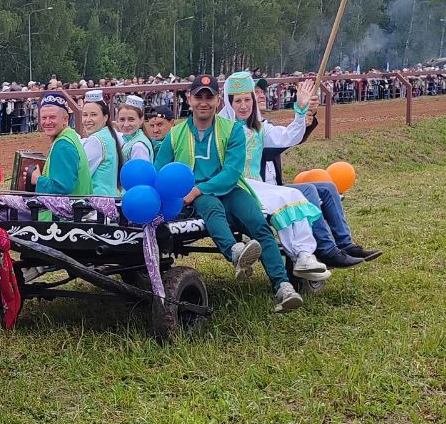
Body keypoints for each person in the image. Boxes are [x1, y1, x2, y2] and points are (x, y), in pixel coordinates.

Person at [155, 74, 303, 313]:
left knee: (259, 223)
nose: (203, 102)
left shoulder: (232, 130)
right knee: (211, 208)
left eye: (209, 97)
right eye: (198, 97)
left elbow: (232, 171)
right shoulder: (175, 134)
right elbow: (159, 169)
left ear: (217, 101)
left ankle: (283, 286)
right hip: (197, 195)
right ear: (189, 100)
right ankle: (235, 252)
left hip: (228, 189)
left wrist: (199, 189)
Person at [255, 80, 381, 267]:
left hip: (276, 188)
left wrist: (307, 117)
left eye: (262, 92)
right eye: (256, 92)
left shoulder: (265, 124)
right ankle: (325, 248)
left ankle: (345, 244)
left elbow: (289, 138)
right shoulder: (243, 129)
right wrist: (299, 121)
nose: (262, 95)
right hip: (262, 192)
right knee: (308, 191)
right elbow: (270, 149)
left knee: (328, 187)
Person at [222, 73, 328, 280]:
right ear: (229, 102)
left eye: (247, 99)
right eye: (238, 101)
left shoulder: (259, 128)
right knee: (282, 198)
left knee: (294, 196)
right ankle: (300, 254)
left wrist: (300, 111)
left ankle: (304, 254)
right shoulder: (221, 128)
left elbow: (289, 137)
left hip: (257, 185)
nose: (243, 106)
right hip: (236, 187)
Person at [29, 93, 91, 196]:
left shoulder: (62, 146)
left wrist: (37, 179)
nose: (47, 122)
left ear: (65, 119)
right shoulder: (71, 136)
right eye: (44, 118)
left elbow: (61, 188)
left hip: (69, 211)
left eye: (52, 117)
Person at [80, 90, 123, 195]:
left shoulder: (96, 140)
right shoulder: (111, 135)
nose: (88, 119)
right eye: (85, 115)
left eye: (93, 115)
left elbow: (80, 175)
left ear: (105, 117)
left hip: (96, 204)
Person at [114, 95, 154, 161]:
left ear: (141, 120)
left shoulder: (138, 147)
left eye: (131, 119)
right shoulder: (129, 139)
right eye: (122, 119)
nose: (126, 124)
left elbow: (139, 171)